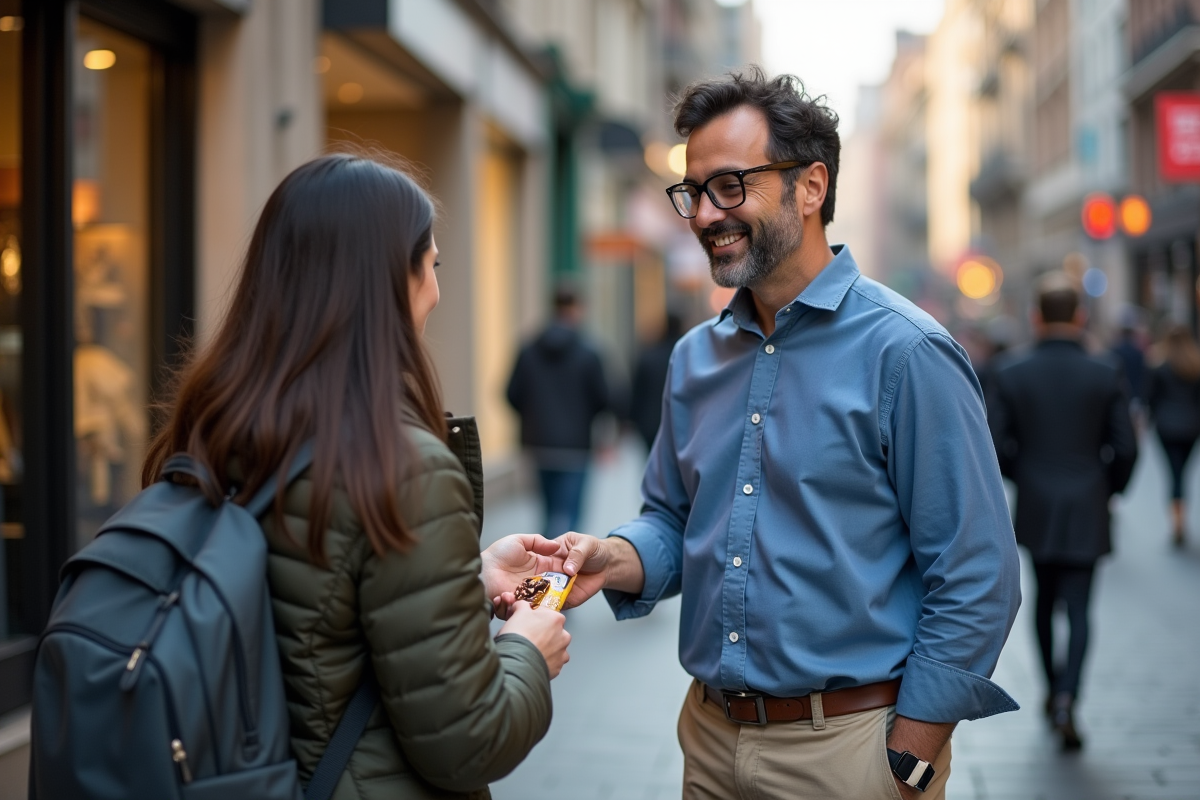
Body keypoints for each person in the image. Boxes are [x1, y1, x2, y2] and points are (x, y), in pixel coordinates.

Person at [508, 68, 1022, 799]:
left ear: (811, 188)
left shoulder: (907, 353)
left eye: (731, 185)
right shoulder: (694, 359)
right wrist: (609, 555)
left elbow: (977, 573)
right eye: (693, 192)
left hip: (850, 752)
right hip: (711, 743)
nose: (705, 214)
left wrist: (909, 752)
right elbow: (671, 520)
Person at [142, 153, 571, 799]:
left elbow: (311, 603)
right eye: (432, 264)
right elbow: (469, 742)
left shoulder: (216, 423)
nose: (436, 289)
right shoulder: (402, 466)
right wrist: (527, 652)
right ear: (391, 282)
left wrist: (463, 577)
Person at [986, 273, 1138, 750]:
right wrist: (1108, 488)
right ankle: (1070, 696)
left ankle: (1052, 690)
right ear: (1079, 316)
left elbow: (993, 444)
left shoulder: (1011, 371)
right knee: (1080, 607)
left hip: (1036, 500)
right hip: (1088, 500)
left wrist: (1023, 476)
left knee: (1043, 602)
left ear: (1035, 316)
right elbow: (1126, 446)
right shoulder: (1105, 369)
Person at [506, 286, 611, 537]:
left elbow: (511, 394)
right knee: (570, 517)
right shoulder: (589, 352)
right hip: (575, 446)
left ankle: (544, 564)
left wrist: (533, 418)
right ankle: (565, 571)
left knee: (548, 513)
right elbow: (605, 398)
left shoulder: (528, 349)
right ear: (577, 309)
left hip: (538, 443)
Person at [1147, 324, 1200, 546]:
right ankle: (1181, 518)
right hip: (1191, 427)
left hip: (1167, 427)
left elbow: (1151, 398)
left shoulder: (1160, 366)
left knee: (1174, 473)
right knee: (1182, 473)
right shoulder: (1195, 366)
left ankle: (1177, 520)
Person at [629, 312, 684, 450]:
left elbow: (637, 393)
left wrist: (631, 420)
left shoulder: (649, 357)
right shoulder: (687, 357)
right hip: (680, 422)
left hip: (650, 424)